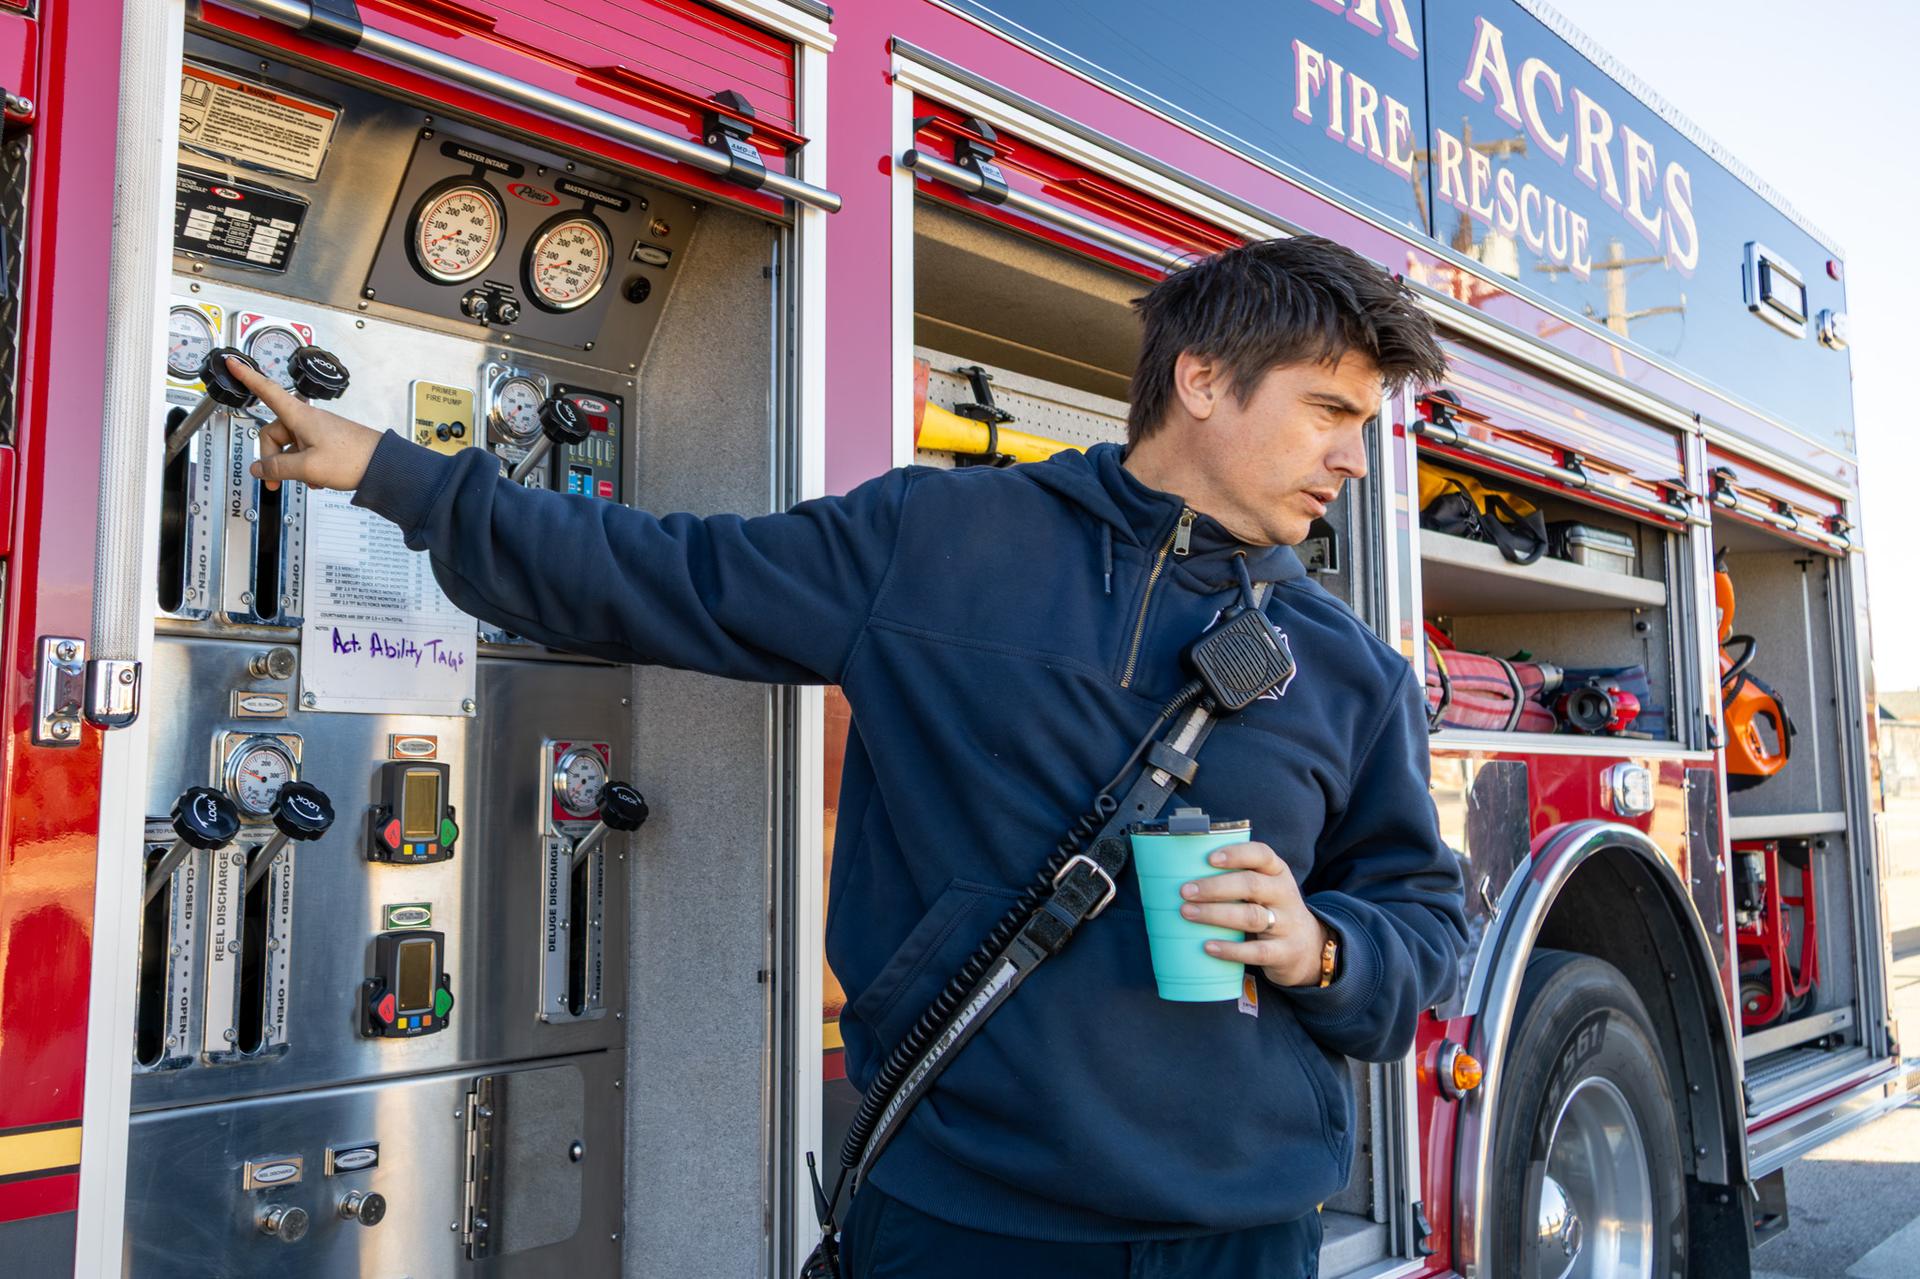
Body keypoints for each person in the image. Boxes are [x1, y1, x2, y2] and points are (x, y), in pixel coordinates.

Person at [230, 234, 1468, 1279]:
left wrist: (1327, 946)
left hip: (1236, 1233)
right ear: (1203, 380)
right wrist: (393, 476)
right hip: (959, 1213)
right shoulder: (940, 539)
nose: (1355, 458)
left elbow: (1423, 916)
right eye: (1332, 411)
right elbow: (668, 573)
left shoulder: (1346, 666)